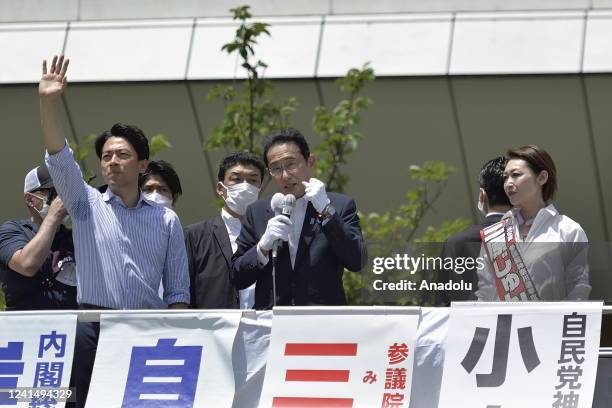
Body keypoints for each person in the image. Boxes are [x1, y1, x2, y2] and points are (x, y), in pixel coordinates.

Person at [38, 55, 189, 408]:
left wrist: (177, 334)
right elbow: (59, 156)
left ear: (143, 164)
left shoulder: (166, 220)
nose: (112, 162)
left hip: (148, 330)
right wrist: (47, 102)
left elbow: (178, 288)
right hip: (93, 327)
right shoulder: (85, 204)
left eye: (122, 154)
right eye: (106, 156)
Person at [231, 128, 367, 309]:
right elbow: (237, 277)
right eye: (276, 169)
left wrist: (325, 210)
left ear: (310, 161)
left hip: (322, 325)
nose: (285, 175)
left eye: (291, 164)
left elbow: (356, 260)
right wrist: (262, 247)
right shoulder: (257, 212)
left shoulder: (339, 205)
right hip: (272, 323)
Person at [476, 145, 590, 301]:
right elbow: (486, 293)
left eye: (516, 175)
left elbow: (578, 289)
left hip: (552, 323)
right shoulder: (495, 234)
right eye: (505, 177)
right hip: (508, 324)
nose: (508, 183)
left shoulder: (567, 230)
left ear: (542, 177)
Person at [185, 152, 265, 309]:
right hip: (215, 330)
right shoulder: (194, 235)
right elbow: (184, 293)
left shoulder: (272, 234)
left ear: (260, 190)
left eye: (253, 180)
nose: (245, 186)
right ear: (221, 189)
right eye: (236, 179)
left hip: (264, 328)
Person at [0, 165, 77, 310]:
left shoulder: (75, 238)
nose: (63, 200)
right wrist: (53, 215)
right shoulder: (12, 230)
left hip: (70, 328)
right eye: (55, 193)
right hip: (25, 329)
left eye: (66, 193)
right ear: (30, 199)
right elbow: (27, 265)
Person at [437, 157, 511, 305]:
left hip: (470, 327)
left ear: (482, 195)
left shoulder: (455, 243)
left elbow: (442, 306)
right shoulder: (535, 236)